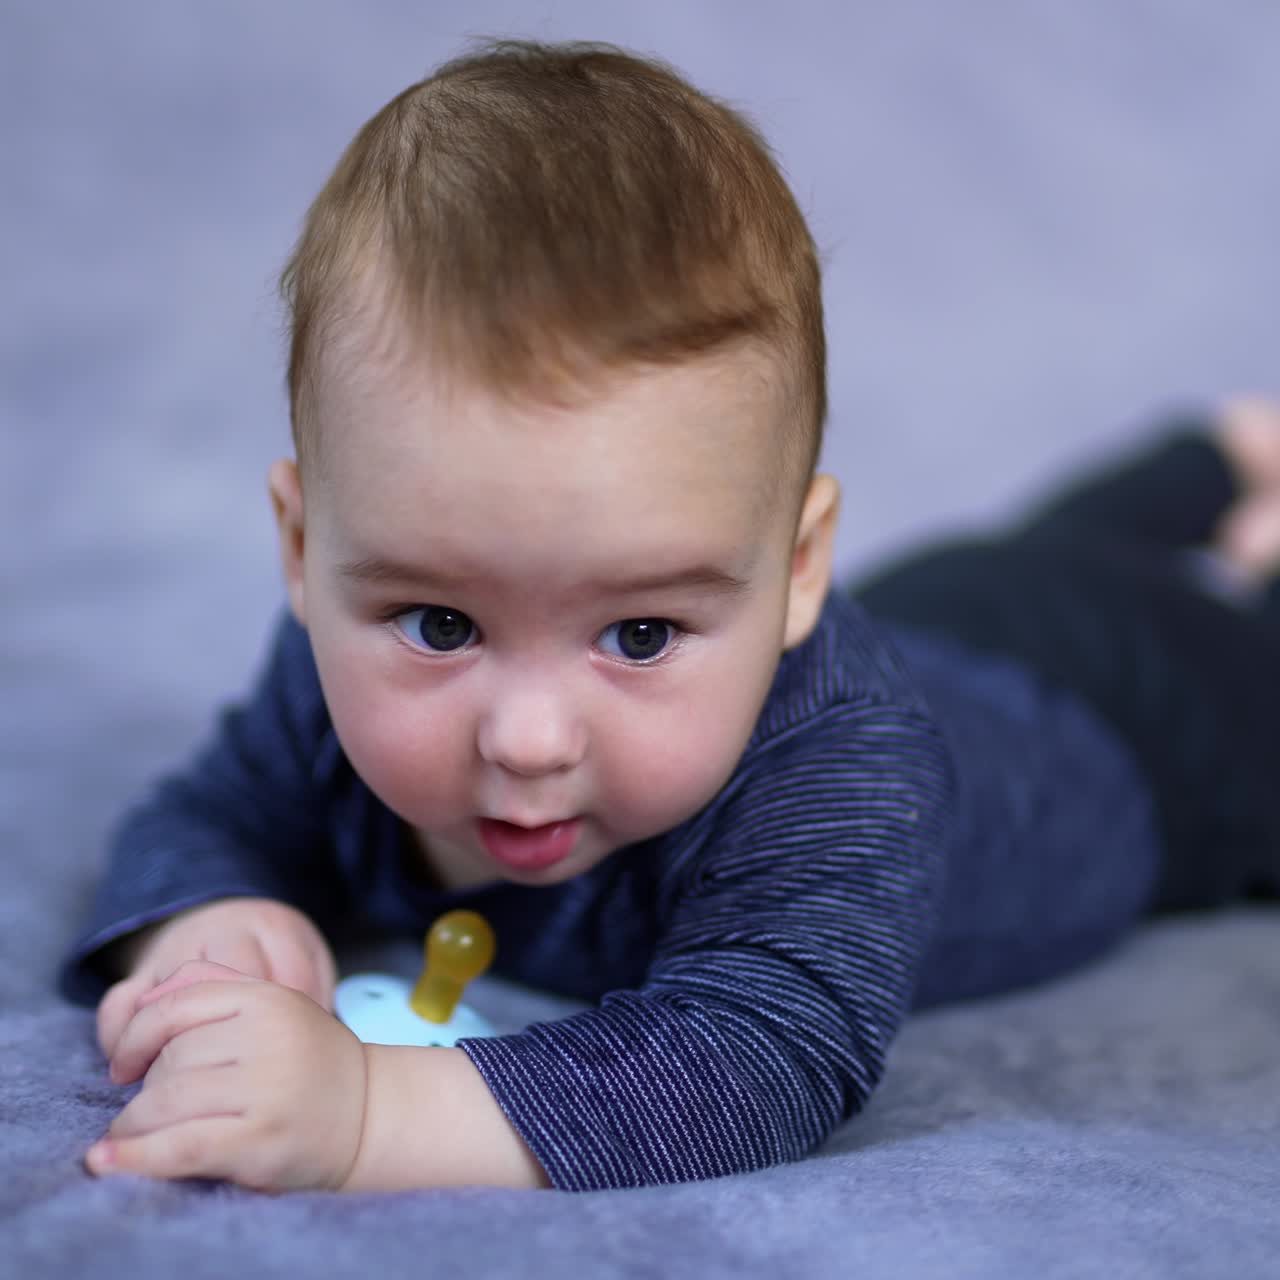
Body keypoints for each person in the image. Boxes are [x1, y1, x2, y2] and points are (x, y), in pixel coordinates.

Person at [59, 39, 1280, 1196]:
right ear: (304, 551)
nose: (528, 739)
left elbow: (759, 1054)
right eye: (439, 623)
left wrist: (369, 1111)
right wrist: (209, 917)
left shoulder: (841, 768)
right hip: (963, 605)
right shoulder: (325, 677)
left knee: (1189, 637)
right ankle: (1216, 463)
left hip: (1139, 733)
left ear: (795, 571)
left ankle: (1226, 474)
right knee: (1029, 563)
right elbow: (209, 811)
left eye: (638, 634)